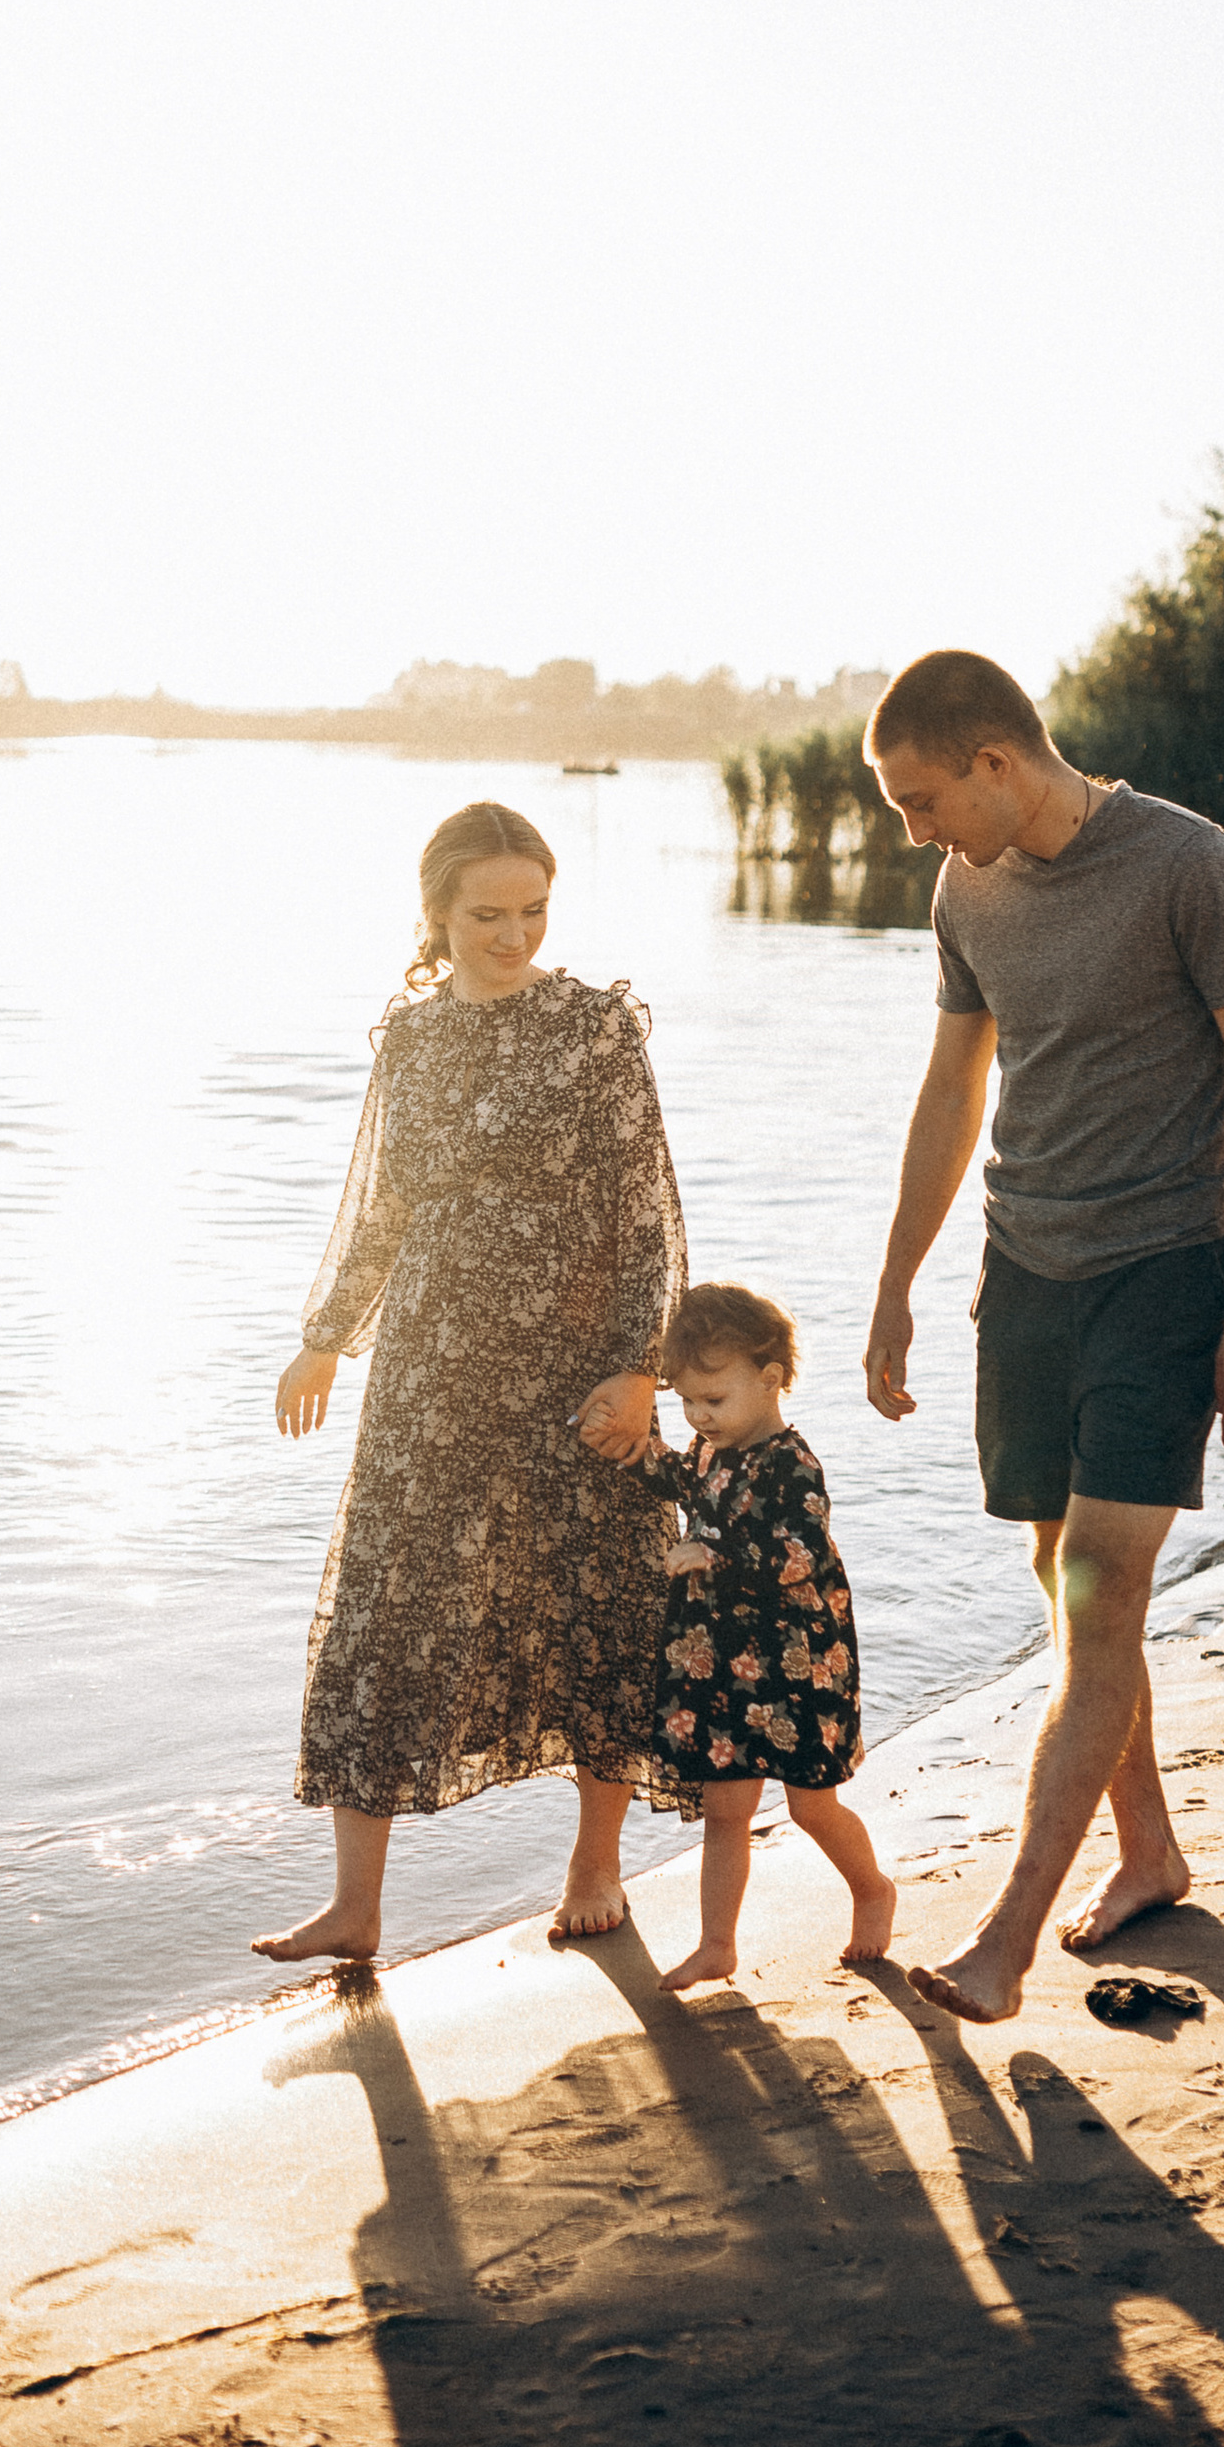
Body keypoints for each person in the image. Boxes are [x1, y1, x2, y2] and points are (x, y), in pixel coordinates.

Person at [860, 648, 1224, 2028]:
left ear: (996, 761)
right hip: (1030, 1268)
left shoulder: (1186, 865)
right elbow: (955, 1085)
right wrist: (895, 1286)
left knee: (1106, 1579)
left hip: (1169, 1268)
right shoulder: (966, 885)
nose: (912, 827)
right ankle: (1150, 1849)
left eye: (921, 796)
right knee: (1066, 1571)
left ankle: (1003, 1936)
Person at [258, 800, 691, 1967]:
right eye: (488, 913)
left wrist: (639, 1367)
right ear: (438, 912)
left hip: (571, 1358)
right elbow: (383, 1205)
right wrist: (325, 1334)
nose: (515, 935)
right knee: (389, 1607)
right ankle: (355, 1905)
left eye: (534, 911)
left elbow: (643, 1209)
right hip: (431, 1363)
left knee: (595, 1595)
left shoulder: (594, 1028)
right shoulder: (411, 1038)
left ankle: (595, 1862)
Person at [635, 1281, 896, 1995]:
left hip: (798, 1661)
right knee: (726, 1806)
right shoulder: (706, 1452)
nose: (697, 1415)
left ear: (770, 1378)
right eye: (686, 1399)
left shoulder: (793, 1463)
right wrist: (630, 1448)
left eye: (712, 1401)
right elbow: (675, 1478)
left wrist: (715, 1557)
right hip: (723, 1661)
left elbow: (800, 1555)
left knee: (812, 1803)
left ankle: (872, 1889)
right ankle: (716, 1943)